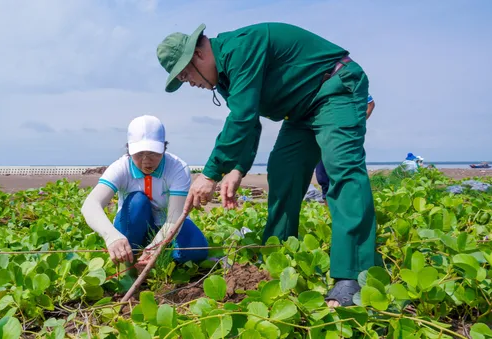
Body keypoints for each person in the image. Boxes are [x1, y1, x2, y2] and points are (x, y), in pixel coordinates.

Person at [156, 22, 380, 307]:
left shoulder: (240, 49)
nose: (189, 82)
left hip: (334, 86)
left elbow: (243, 117)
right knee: (282, 171)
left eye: (185, 74)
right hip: (300, 110)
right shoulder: (224, 79)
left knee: (342, 170)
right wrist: (237, 169)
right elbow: (248, 121)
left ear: (198, 55)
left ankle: (353, 276)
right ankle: (278, 256)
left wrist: (211, 174)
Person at [81, 115, 209, 275]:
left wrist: (156, 247)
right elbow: (91, 205)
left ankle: (156, 260)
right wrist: (111, 236)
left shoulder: (177, 168)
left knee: (198, 249)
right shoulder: (121, 167)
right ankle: (131, 257)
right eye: (139, 153)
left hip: (166, 226)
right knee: (138, 201)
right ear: (129, 150)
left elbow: (174, 218)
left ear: (164, 148)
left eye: (153, 153)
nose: (146, 161)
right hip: (132, 226)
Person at [316, 95, 376, 204]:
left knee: (349, 175)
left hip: (344, 137)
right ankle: (328, 212)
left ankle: (355, 207)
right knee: (322, 176)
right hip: (322, 136)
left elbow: (370, 103)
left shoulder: (348, 82)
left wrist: (357, 124)